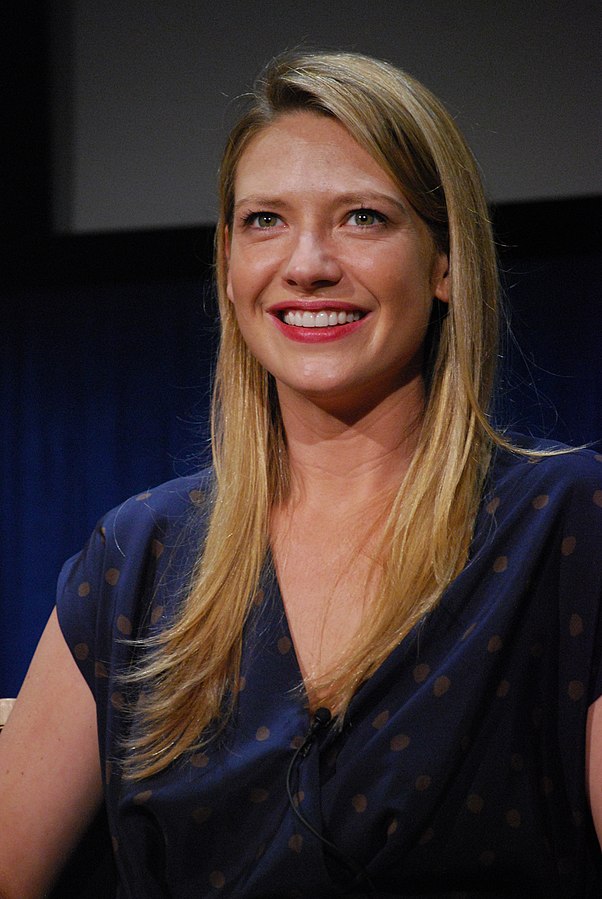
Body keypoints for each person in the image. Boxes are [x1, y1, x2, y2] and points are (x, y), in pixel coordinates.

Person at [1, 49, 601, 899]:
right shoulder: (138, 557)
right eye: (265, 221)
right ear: (228, 263)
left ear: (446, 263)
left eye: (362, 217)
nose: (307, 262)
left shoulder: (570, 523)